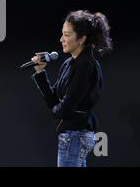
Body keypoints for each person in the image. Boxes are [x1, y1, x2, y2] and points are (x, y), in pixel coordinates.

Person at [30, 10, 112, 167]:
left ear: (81, 38)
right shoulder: (69, 63)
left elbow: (65, 108)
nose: (61, 39)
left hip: (75, 135)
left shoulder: (86, 65)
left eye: (67, 35)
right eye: (62, 34)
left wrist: (56, 112)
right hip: (72, 135)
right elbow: (54, 99)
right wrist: (40, 72)